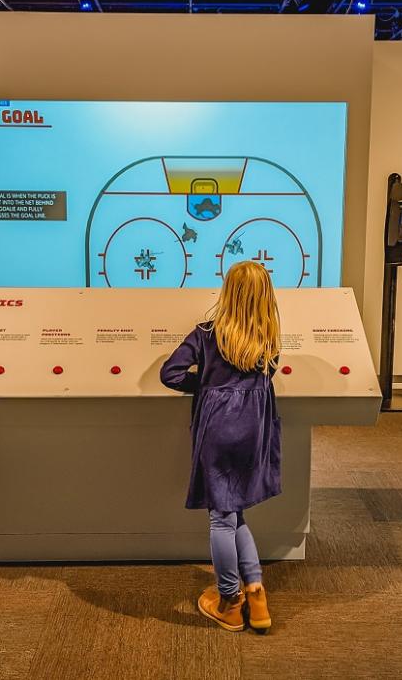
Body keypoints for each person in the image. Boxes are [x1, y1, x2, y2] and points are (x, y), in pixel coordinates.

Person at [160, 261, 281, 633]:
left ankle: (230, 600)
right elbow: (270, 372)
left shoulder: (206, 334)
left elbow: (171, 374)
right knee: (235, 511)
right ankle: (256, 593)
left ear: (228, 293)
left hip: (218, 430)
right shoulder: (269, 337)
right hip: (254, 431)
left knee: (220, 517)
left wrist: (208, 388)